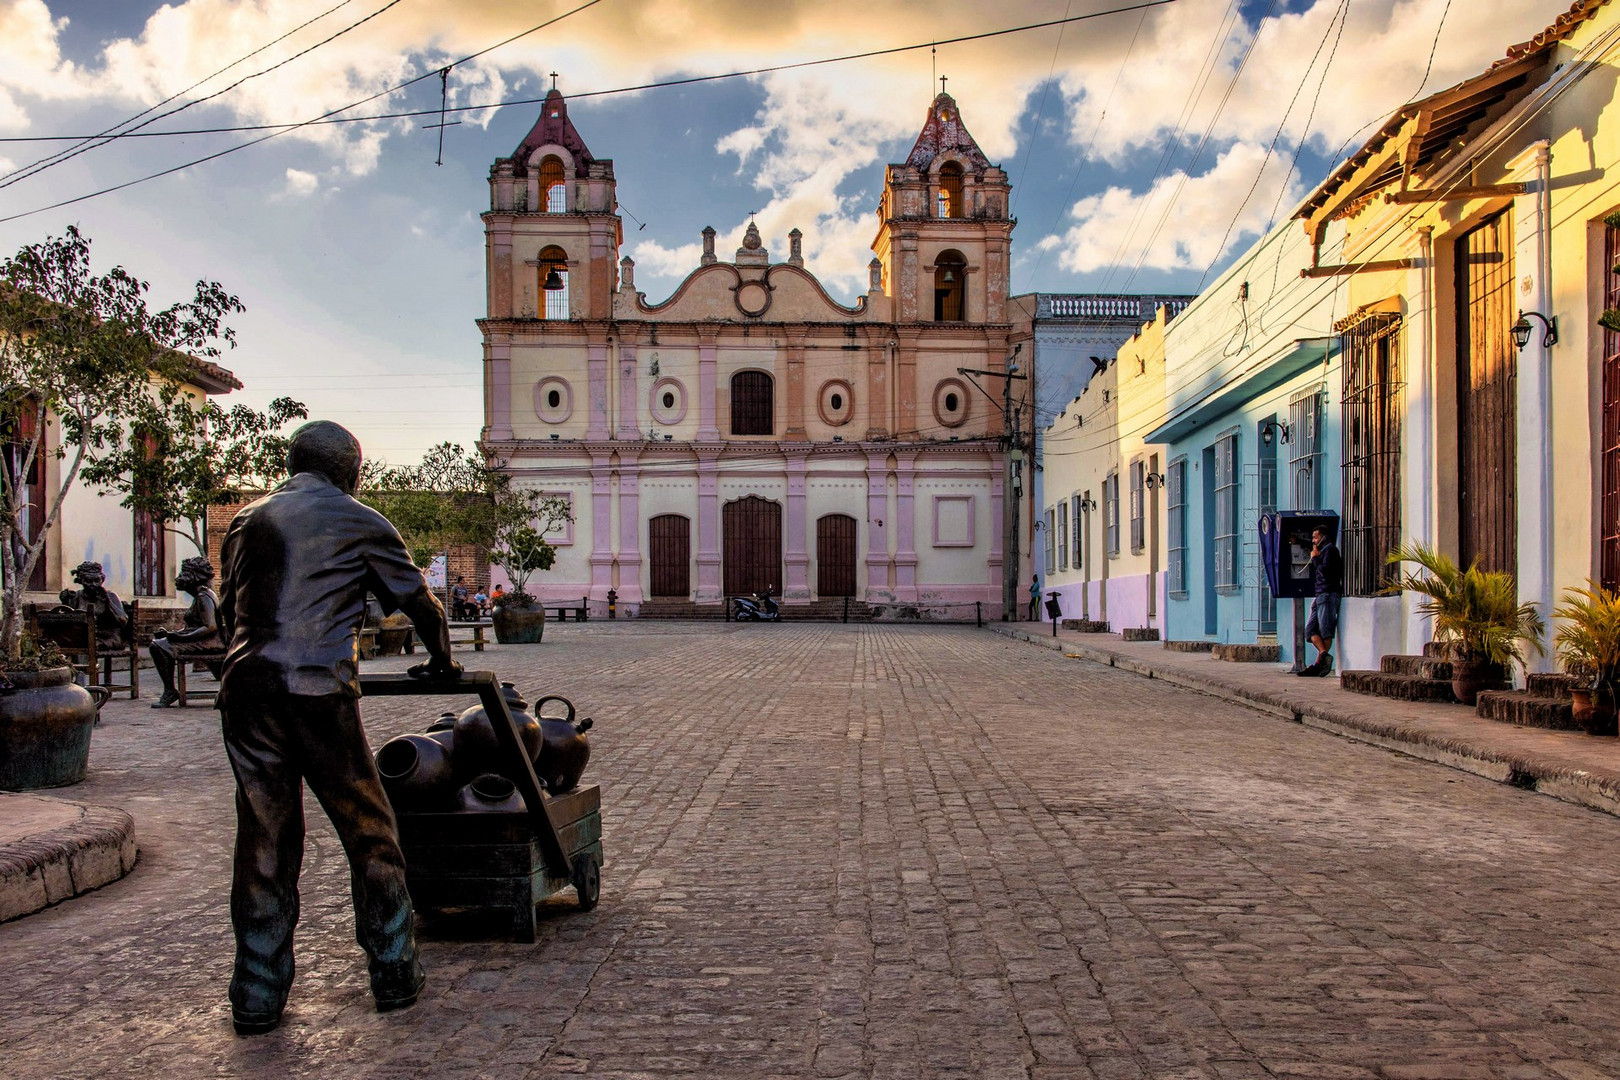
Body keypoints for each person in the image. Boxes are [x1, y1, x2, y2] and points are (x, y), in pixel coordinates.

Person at [216, 420, 460, 1036]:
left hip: (246, 689)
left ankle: (256, 993)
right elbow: (421, 604)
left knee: (264, 837)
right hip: (318, 690)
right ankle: (394, 969)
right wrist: (442, 661)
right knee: (369, 829)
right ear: (352, 471)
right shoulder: (360, 520)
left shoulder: (246, 520)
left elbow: (227, 613)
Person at [148, 556, 225, 708]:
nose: (179, 578)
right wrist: (173, 633)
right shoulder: (200, 596)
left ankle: (169, 690)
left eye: (184, 573)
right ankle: (169, 690)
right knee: (161, 642)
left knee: (157, 646)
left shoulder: (204, 597)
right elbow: (195, 625)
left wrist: (181, 637)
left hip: (210, 641)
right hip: (206, 638)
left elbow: (210, 627)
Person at [1297, 525, 1343, 677]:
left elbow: (1325, 571)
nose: (1313, 541)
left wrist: (1315, 558)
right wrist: (1297, 540)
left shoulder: (1330, 550)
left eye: (1315, 537)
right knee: (1310, 631)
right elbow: (1309, 544)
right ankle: (1324, 654)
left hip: (1328, 593)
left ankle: (1318, 664)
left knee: (1325, 631)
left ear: (1324, 537)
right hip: (1320, 594)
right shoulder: (1322, 550)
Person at [57, 560, 129, 649]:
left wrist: (108, 601)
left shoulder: (110, 596)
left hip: (106, 637)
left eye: (97, 580)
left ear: (102, 580)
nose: (93, 584)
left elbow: (122, 621)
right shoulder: (77, 596)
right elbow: (68, 621)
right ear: (81, 580)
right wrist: (65, 602)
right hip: (83, 636)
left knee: (91, 644)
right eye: (88, 581)